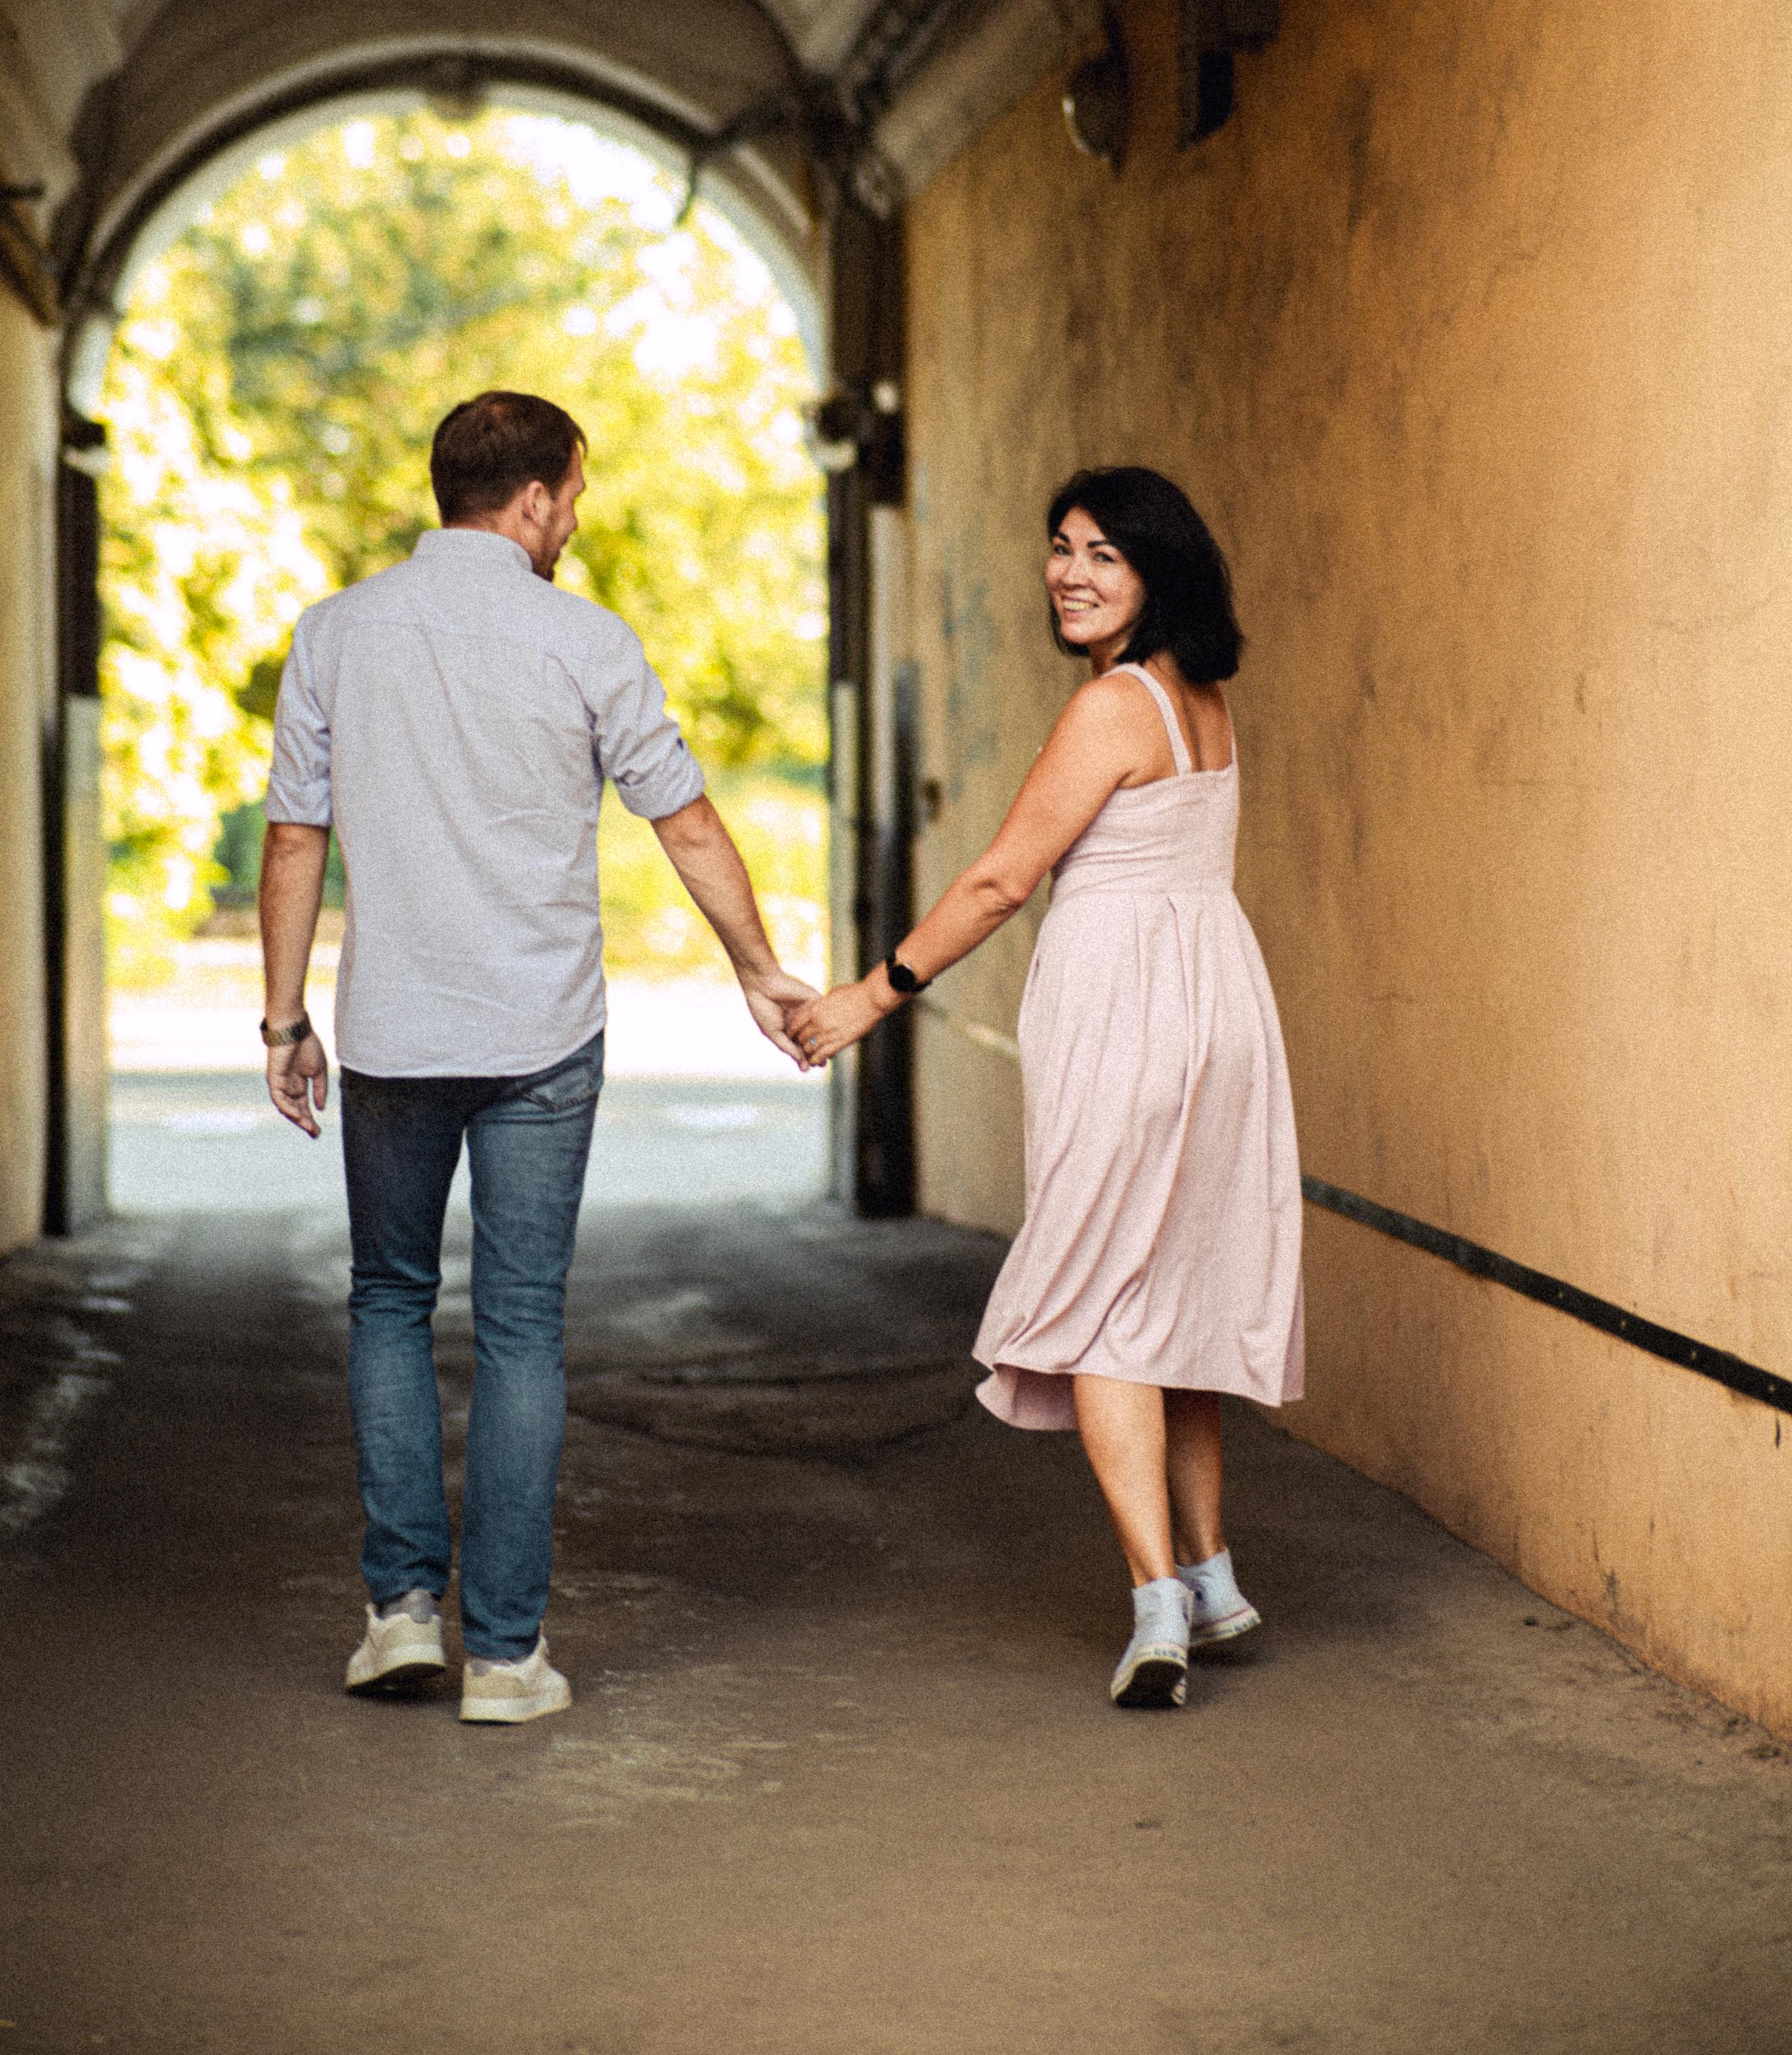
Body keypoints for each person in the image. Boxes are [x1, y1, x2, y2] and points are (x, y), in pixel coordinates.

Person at [258, 390, 815, 1724]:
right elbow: (681, 821)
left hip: (393, 1030)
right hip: (544, 1036)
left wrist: (285, 1023)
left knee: (389, 1301)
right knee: (520, 1328)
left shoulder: (335, 635)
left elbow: (295, 837)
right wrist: (755, 966)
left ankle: (401, 1617)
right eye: (574, 496)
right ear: (536, 499)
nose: (573, 520)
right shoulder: (586, 640)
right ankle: (505, 1659)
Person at [791, 466, 1303, 1709]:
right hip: (1218, 1012)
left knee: (1099, 1298)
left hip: (1127, 1019)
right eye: (1061, 546)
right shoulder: (1204, 699)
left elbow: (999, 882)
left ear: (1158, 574)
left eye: (1104, 556)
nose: (1070, 571)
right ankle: (1215, 1572)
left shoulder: (1114, 709)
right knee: (1170, 1288)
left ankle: (1155, 1606)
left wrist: (871, 995)